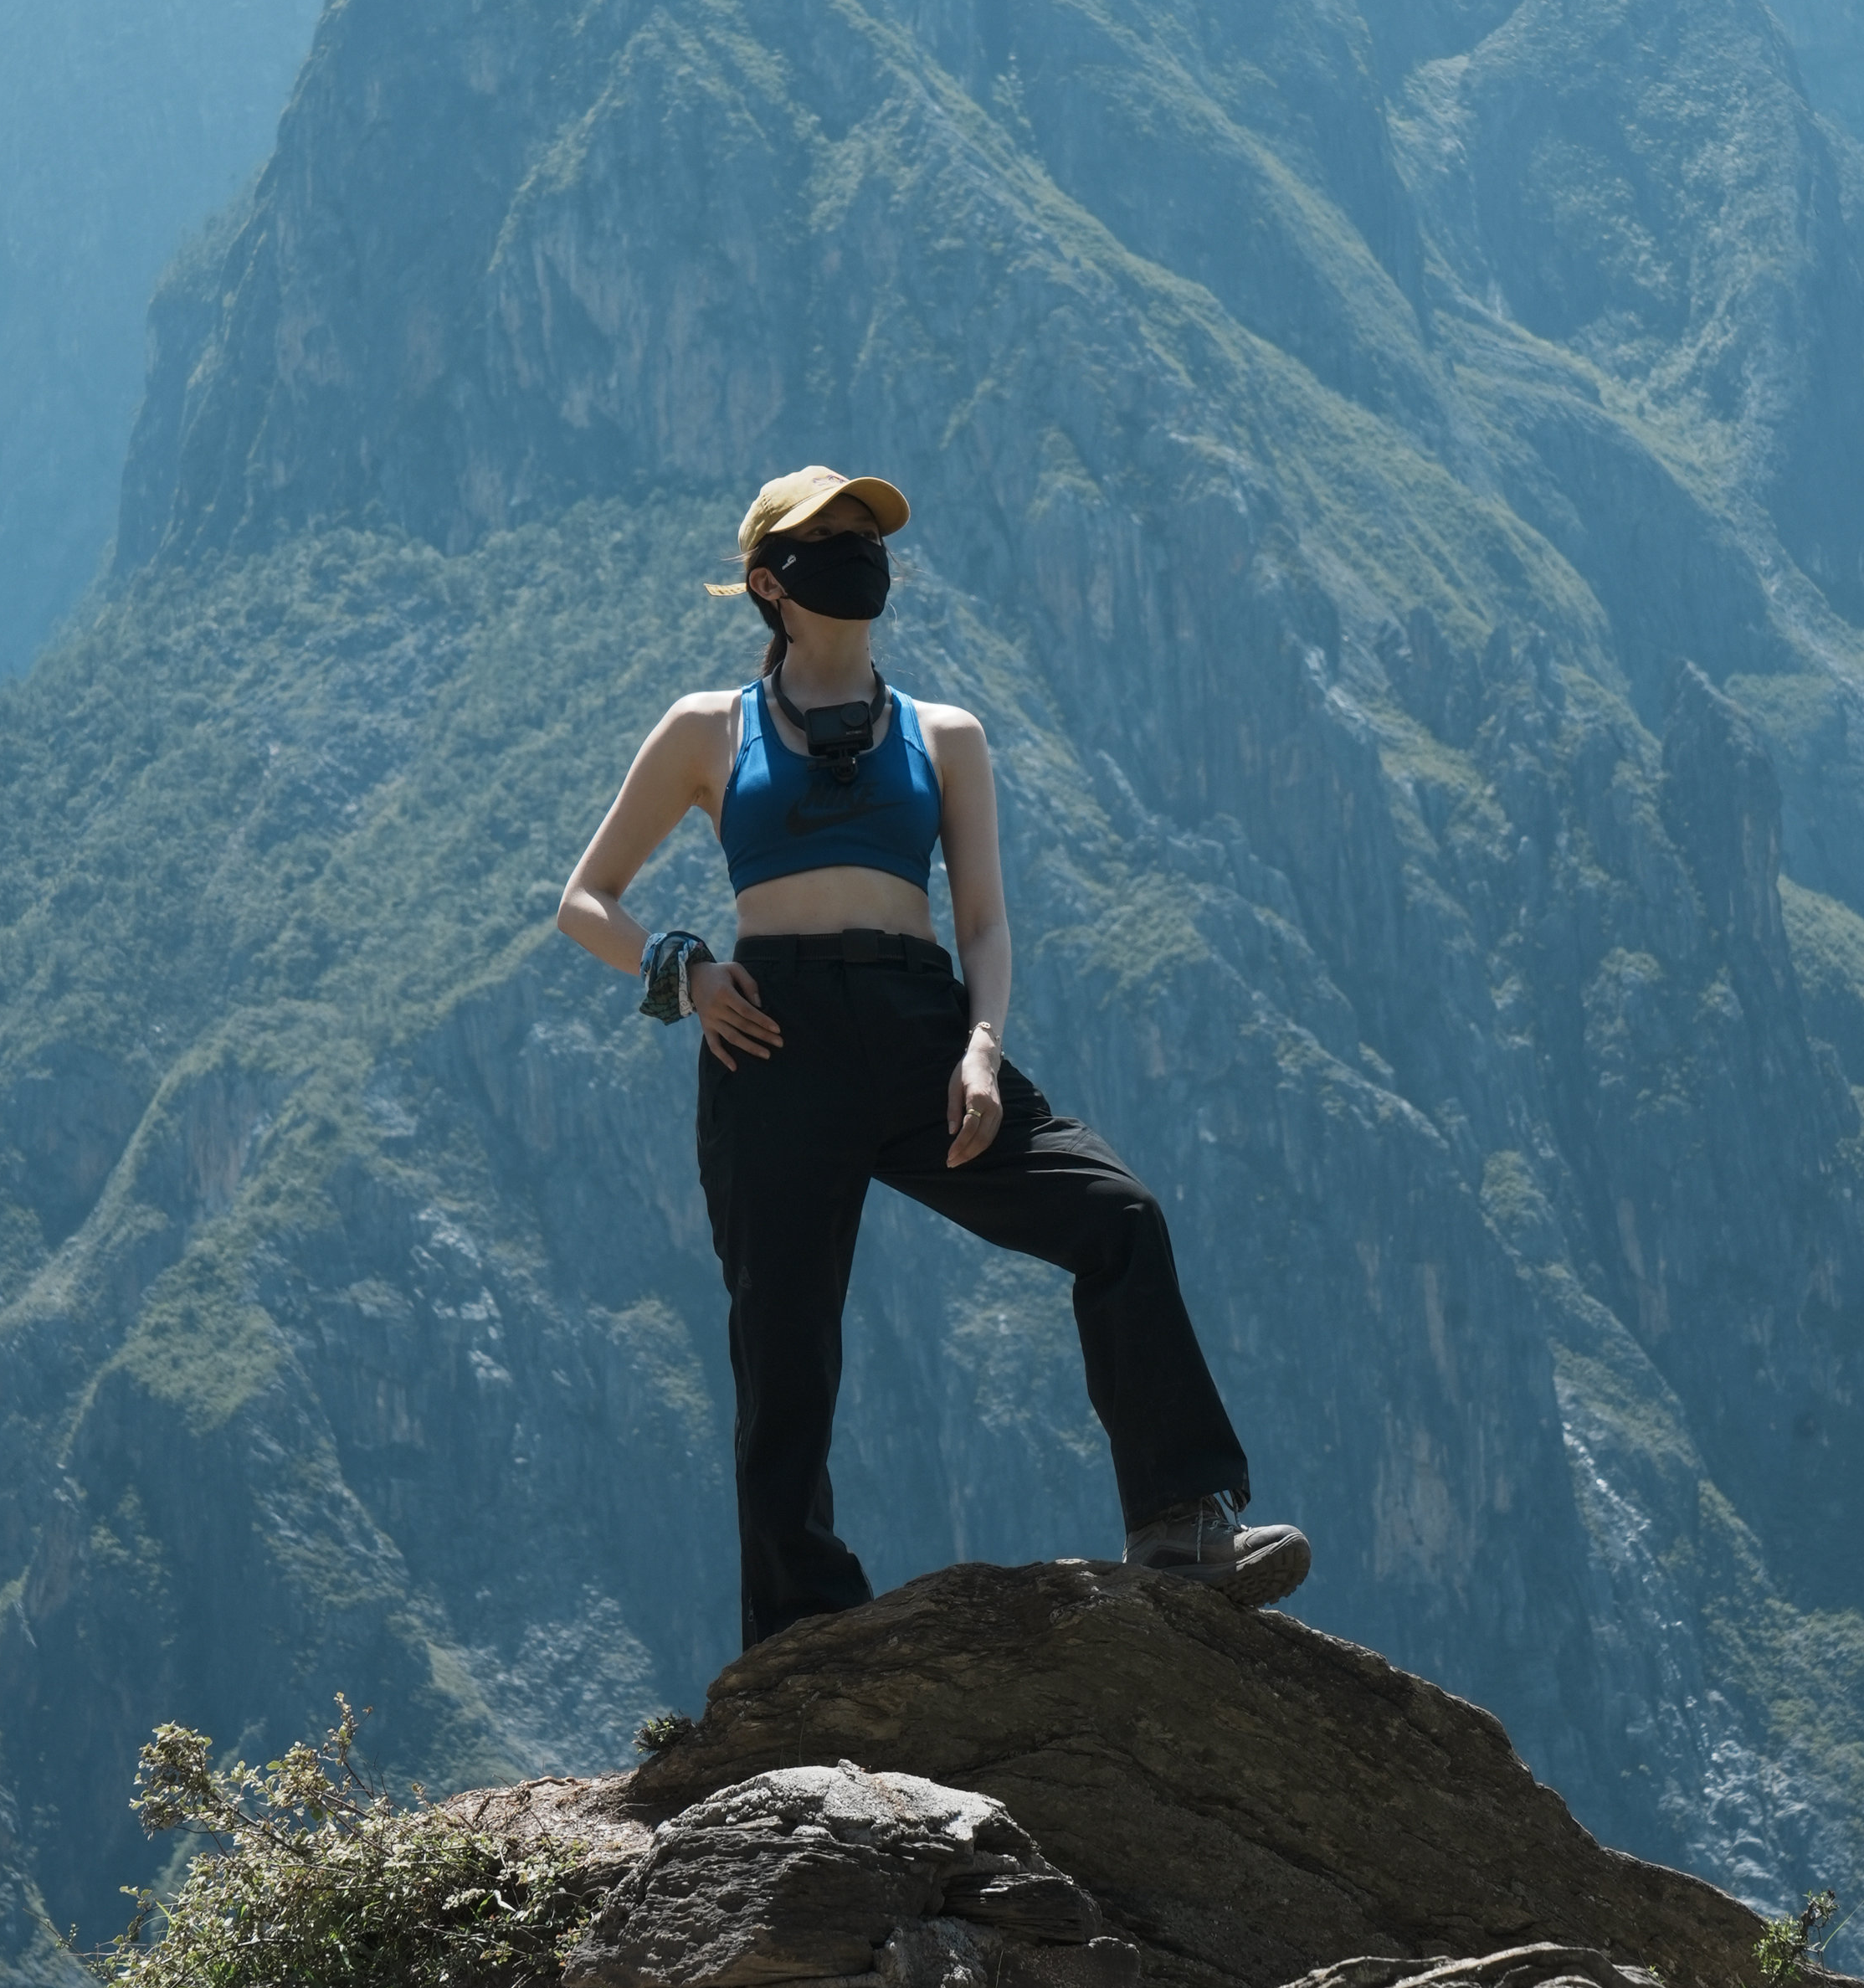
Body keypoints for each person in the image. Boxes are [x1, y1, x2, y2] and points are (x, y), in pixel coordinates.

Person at [557, 461, 1312, 1657]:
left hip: (924, 1032)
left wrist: (981, 1049)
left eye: (869, 533)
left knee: (1117, 1215)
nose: (862, 551)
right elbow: (586, 899)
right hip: (772, 1039)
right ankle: (801, 1629)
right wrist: (686, 973)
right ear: (770, 581)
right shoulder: (709, 728)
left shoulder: (945, 735)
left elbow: (987, 924)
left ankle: (1181, 1527)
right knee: (782, 1340)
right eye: (832, 537)